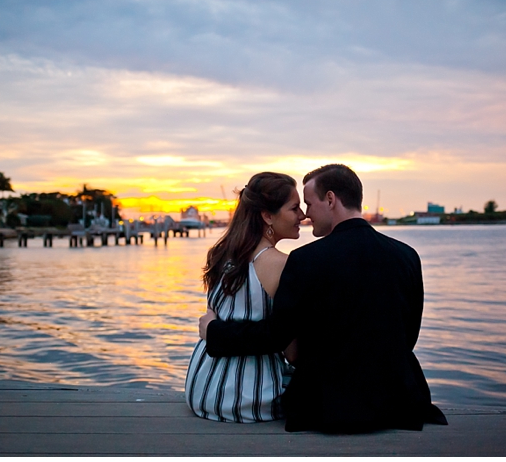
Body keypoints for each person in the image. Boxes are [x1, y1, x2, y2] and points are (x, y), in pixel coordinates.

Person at [199, 164, 447, 433]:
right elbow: (409, 335)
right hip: (398, 403)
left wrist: (214, 332)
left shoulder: (306, 261)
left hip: (328, 408)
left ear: (330, 199)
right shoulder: (407, 256)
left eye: (308, 203)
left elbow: (277, 336)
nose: (306, 215)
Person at [185, 171, 305, 423]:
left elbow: (213, 316)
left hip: (203, 388)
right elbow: (292, 352)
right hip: (252, 397)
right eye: (295, 208)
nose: (303, 216)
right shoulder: (283, 265)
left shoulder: (221, 254)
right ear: (267, 216)